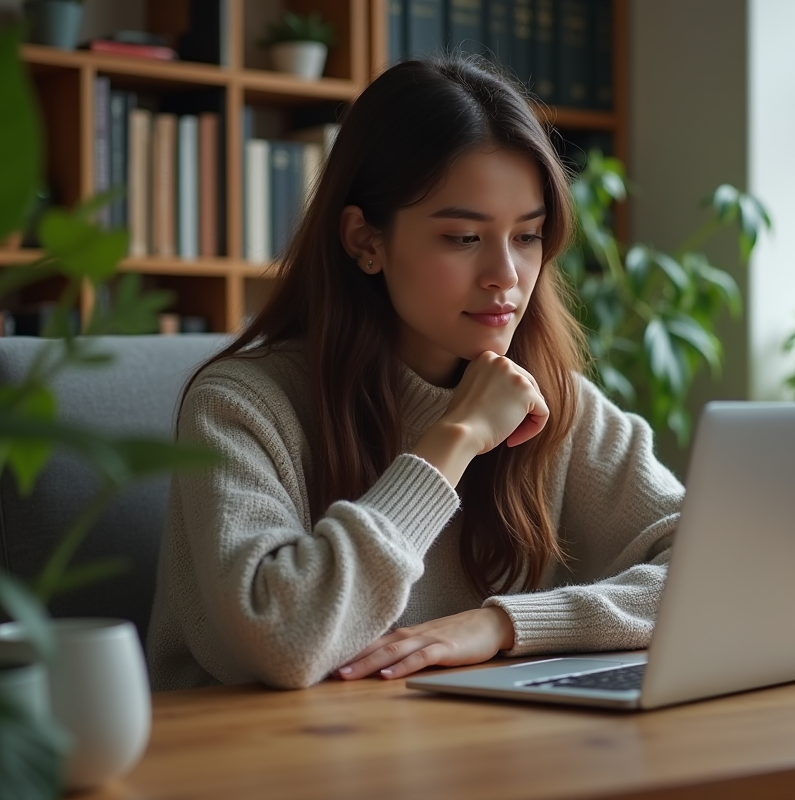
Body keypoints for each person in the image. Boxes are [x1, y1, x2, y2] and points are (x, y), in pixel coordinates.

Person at [147, 55, 684, 692]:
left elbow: (722, 570)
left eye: (527, 236)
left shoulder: (551, 402)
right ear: (364, 241)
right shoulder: (241, 406)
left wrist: (503, 626)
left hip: (461, 753)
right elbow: (283, 638)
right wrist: (454, 439)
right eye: (463, 238)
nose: (506, 277)